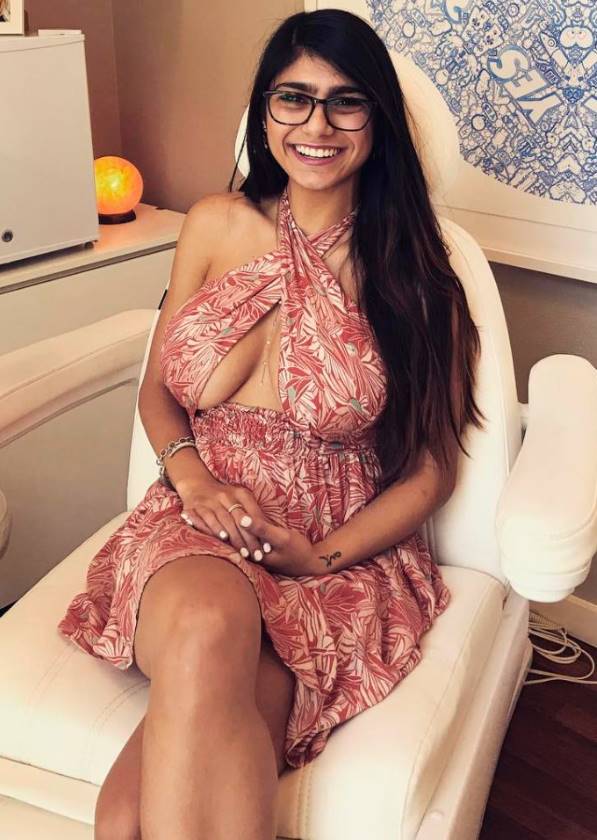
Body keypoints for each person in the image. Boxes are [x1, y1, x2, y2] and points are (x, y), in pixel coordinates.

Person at [58, 8, 484, 840]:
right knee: (208, 620)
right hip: (198, 517)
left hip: (328, 547)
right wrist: (194, 481)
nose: (315, 126)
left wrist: (319, 556)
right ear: (264, 112)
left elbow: (434, 469)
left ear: (377, 121)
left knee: (128, 820)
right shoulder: (215, 224)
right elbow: (159, 391)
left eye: (345, 102)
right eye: (293, 98)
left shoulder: (414, 274)